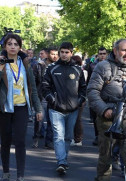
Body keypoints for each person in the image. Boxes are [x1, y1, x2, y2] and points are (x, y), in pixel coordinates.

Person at [87, 39, 126, 180]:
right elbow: (92, 92)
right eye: (124, 50)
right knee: (105, 158)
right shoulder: (102, 66)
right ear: (115, 51)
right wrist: (104, 110)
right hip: (108, 117)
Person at [0, 34, 43, 181]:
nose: (12, 46)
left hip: (21, 107)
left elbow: (32, 88)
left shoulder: (25, 64)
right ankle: (6, 172)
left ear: (20, 47)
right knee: (5, 141)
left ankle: (20, 175)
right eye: (9, 44)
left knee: (20, 141)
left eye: (16, 44)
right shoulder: (1, 62)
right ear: (5, 46)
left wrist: (38, 109)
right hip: (4, 108)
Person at [42, 42, 87, 175]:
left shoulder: (78, 69)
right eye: (62, 52)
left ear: (71, 53)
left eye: (67, 52)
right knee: (58, 137)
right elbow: (45, 87)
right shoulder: (51, 68)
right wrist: (52, 100)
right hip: (56, 109)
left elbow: (83, 88)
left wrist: (79, 101)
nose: (64, 54)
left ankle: (64, 160)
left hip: (73, 109)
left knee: (68, 137)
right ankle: (61, 161)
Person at [32, 47, 59, 149]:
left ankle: (49, 141)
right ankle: (36, 137)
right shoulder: (40, 65)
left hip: (54, 96)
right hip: (42, 96)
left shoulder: (58, 65)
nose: (55, 56)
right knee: (39, 118)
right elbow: (34, 81)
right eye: (52, 54)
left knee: (52, 120)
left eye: (56, 54)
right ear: (47, 54)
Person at [84, 47, 108, 146]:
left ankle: (105, 136)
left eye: (104, 53)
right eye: (100, 54)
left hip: (106, 93)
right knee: (95, 116)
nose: (102, 55)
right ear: (97, 55)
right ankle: (97, 135)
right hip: (95, 93)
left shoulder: (109, 65)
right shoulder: (92, 65)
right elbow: (89, 79)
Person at [70, 55, 85, 146]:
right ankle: (76, 138)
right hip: (74, 97)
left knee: (77, 119)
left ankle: (78, 139)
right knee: (75, 119)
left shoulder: (81, 72)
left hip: (79, 97)